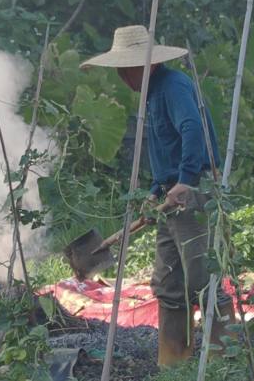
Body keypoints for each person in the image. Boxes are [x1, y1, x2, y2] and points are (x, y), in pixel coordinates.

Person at [80, 25, 236, 367]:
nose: (122, 76)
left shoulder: (173, 86)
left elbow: (192, 128)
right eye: (119, 69)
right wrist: (155, 190)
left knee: (201, 278)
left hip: (193, 190)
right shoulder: (151, 94)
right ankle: (173, 364)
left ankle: (228, 361)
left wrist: (186, 179)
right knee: (167, 282)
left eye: (127, 68)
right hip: (171, 192)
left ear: (148, 65)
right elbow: (165, 149)